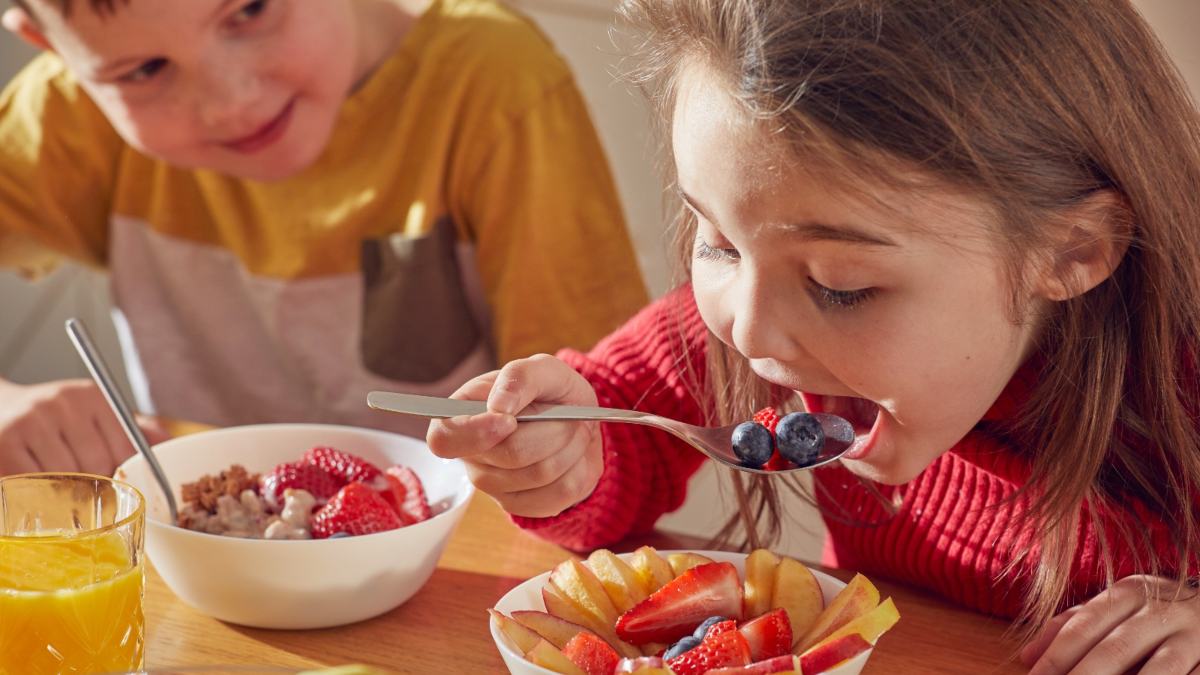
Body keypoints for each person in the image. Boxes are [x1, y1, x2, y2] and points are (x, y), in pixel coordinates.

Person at [426, 0, 1200, 672]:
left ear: (1072, 252)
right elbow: (621, 423)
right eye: (719, 242)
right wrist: (566, 455)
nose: (750, 329)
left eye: (841, 283)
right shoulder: (773, 315)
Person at [0, 0, 649, 476]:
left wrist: (557, 460)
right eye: (143, 71)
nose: (230, 101)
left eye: (249, 10)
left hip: (452, 590)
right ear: (49, 45)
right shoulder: (68, 114)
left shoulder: (496, 84)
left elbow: (614, 427)